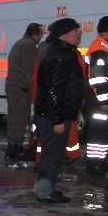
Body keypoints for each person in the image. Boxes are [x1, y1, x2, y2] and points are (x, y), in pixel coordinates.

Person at [34, 18, 84, 203]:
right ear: (64, 35)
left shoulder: (61, 52)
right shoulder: (60, 56)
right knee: (52, 155)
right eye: (75, 32)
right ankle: (45, 192)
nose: (79, 34)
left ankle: (46, 189)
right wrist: (57, 120)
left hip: (56, 114)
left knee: (52, 154)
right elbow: (53, 91)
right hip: (55, 116)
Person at [5, 23, 43, 162]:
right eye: (41, 34)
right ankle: (16, 148)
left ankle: (13, 146)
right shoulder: (29, 46)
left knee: (14, 116)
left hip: (14, 86)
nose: (41, 37)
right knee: (20, 118)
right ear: (35, 34)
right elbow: (30, 71)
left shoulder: (19, 43)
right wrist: (35, 91)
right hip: (21, 87)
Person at [83, 16, 108, 176]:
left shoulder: (105, 47)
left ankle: (100, 162)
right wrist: (105, 99)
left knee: (103, 132)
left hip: (100, 101)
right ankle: (94, 164)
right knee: (97, 132)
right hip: (99, 102)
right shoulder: (100, 49)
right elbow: (98, 78)